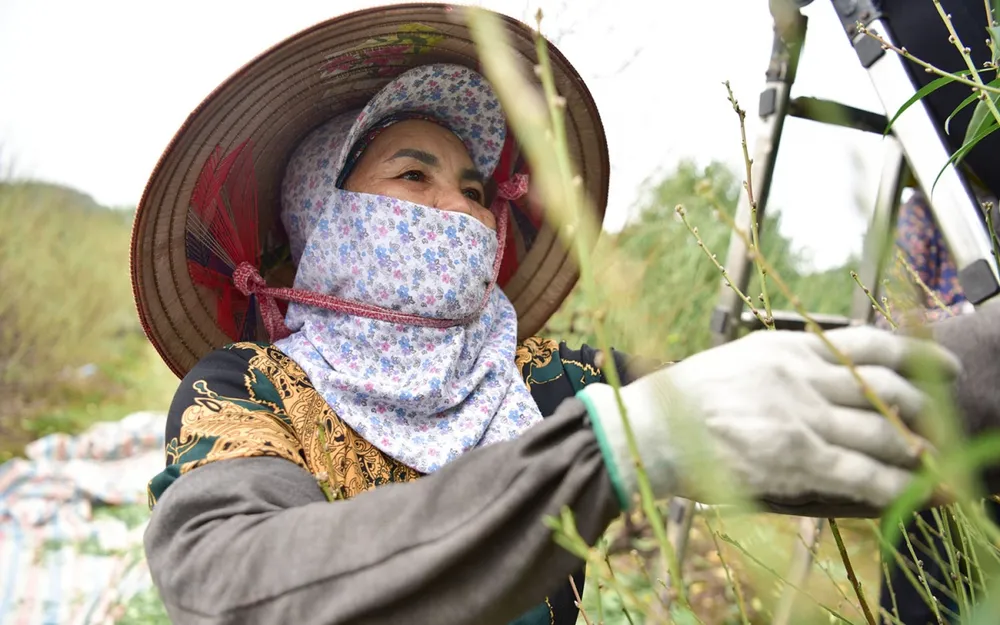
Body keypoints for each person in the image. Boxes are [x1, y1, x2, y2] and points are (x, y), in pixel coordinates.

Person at [131, 6, 980, 625]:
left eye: (473, 190)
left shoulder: (541, 381)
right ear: (325, 212)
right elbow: (231, 581)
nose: (459, 211)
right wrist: (601, 452)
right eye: (412, 176)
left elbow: (837, 394)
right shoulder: (252, 392)